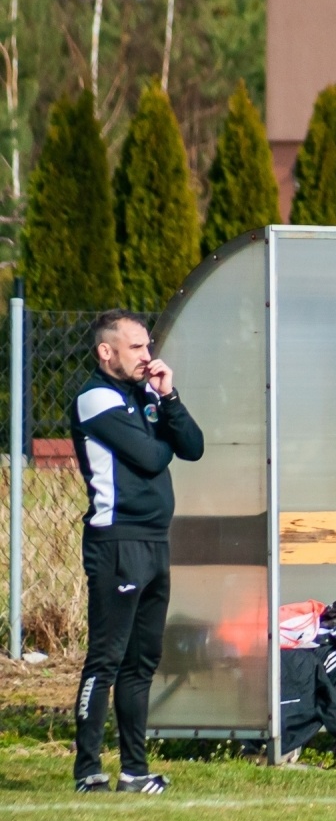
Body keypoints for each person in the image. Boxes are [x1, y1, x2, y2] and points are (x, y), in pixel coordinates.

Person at [69, 311, 205, 793]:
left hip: (154, 541)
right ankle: (88, 770)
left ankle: (134, 771)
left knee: (142, 661)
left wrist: (169, 398)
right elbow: (151, 457)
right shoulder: (95, 397)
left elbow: (193, 446)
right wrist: (161, 435)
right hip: (117, 542)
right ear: (106, 352)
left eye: (148, 346)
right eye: (136, 348)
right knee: (105, 660)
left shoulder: (146, 393)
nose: (147, 356)